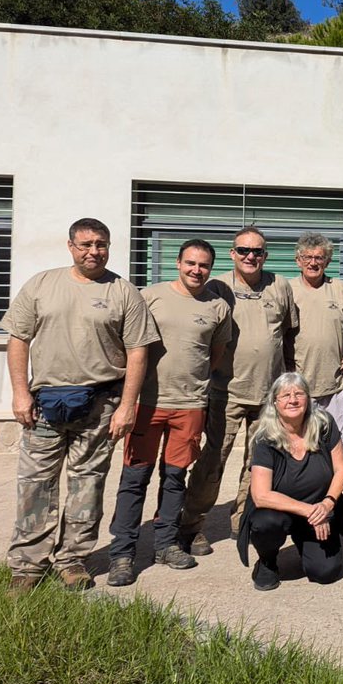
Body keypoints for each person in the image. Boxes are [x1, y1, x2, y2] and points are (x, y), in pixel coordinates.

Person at [2, 218, 159, 593]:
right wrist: (20, 392)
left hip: (100, 406)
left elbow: (138, 352)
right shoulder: (42, 284)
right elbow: (18, 338)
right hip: (44, 406)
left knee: (87, 485)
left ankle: (72, 560)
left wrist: (127, 406)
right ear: (71, 246)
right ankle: (28, 565)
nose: (94, 251)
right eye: (86, 244)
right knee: (35, 485)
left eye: (101, 244)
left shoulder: (124, 292)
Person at [107, 239, 232, 587]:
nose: (196, 270)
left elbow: (215, 355)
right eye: (190, 263)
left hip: (190, 406)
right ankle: (122, 553)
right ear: (178, 263)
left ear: (211, 268)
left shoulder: (218, 307)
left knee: (175, 478)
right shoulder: (150, 297)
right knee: (134, 479)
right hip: (147, 403)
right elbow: (128, 345)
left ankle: (165, 544)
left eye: (203, 265)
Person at [180, 226, 298, 556]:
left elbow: (288, 336)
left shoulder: (280, 285)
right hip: (225, 392)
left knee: (258, 463)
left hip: (269, 395)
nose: (250, 256)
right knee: (212, 461)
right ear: (232, 253)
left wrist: (290, 380)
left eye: (257, 251)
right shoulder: (217, 287)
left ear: (265, 255)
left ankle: (243, 518)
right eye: (243, 250)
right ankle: (191, 525)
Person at [236, 372, 343, 591]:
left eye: (299, 394)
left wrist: (327, 504)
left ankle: (306, 543)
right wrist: (310, 511)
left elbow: (342, 469)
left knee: (325, 572)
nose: (293, 400)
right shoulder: (265, 437)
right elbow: (261, 495)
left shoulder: (324, 424)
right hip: (280, 512)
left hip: (319, 507)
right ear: (275, 402)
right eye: (285, 395)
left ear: (307, 398)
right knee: (265, 523)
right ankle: (267, 561)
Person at [289, 232, 343, 449]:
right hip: (297, 386)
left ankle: (336, 474)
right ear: (298, 260)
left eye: (319, 258)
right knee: (299, 444)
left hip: (334, 385)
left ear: (327, 262)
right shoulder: (286, 290)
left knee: (338, 444)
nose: (313, 263)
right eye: (307, 257)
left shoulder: (340, 290)